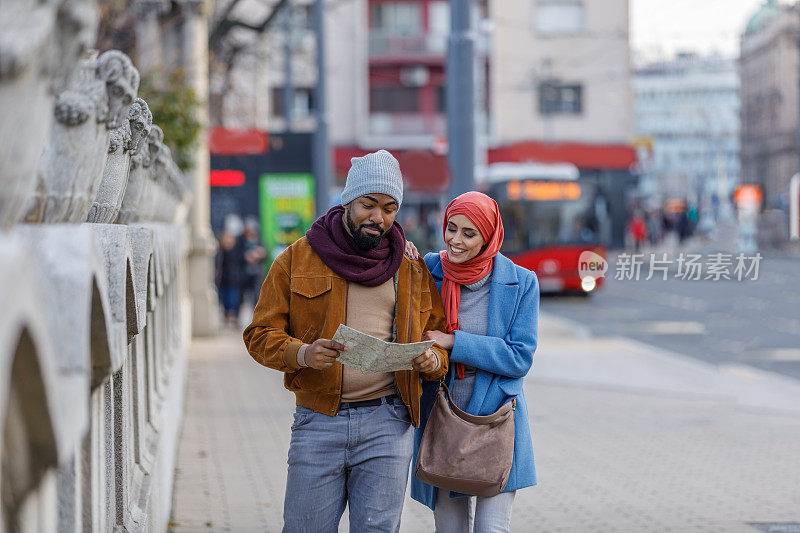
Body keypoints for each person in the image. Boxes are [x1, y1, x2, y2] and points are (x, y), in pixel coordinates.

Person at [243, 149, 450, 533]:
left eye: (389, 208)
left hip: (389, 423)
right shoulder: (296, 259)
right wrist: (303, 353)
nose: (378, 217)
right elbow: (258, 335)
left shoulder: (410, 266)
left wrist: (433, 361)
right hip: (319, 420)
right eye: (368, 204)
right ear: (347, 201)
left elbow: (436, 338)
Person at [407, 191, 540, 533]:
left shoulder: (522, 283)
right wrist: (399, 249)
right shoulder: (426, 270)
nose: (455, 240)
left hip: (496, 421)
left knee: (490, 529)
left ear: (489, 237)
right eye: (451, 228)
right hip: (442, 421)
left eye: (469, 233)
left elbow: (518, 357)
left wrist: (454, 342)